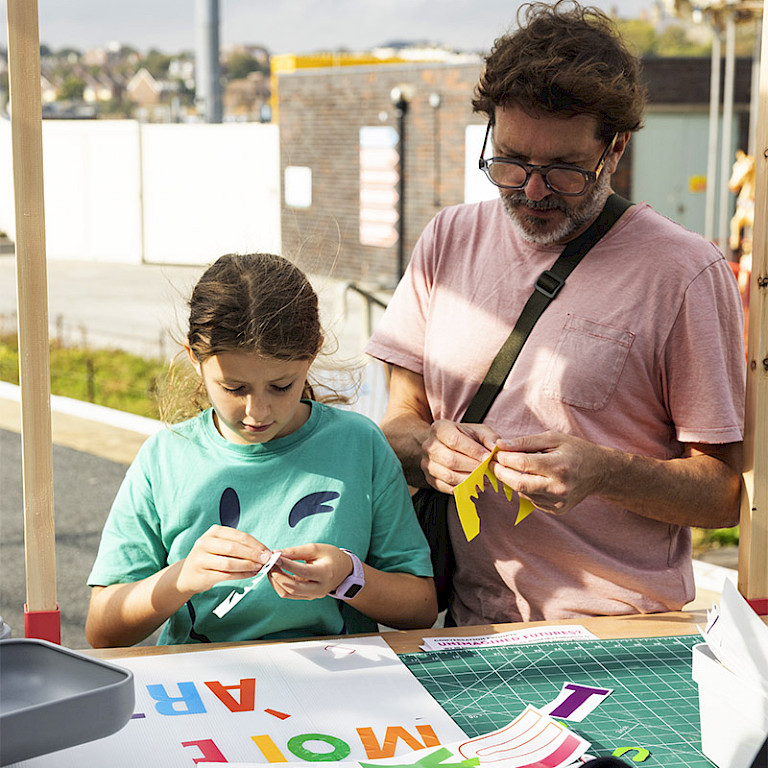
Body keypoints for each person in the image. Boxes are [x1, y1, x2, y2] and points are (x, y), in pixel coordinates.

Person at [365, 1, 745, 626]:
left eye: (564, 170)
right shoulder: (448, 239)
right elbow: (398, 423)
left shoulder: (685, 272)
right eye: (510, 160)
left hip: (621, 633)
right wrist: (430, 447)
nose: (532, 190)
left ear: (614, 149)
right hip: (467, 627)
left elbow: (722, 494)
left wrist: (604, 473)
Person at [86, 253, 436, 647]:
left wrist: (348, 575)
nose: (258, 412)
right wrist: (181, 578)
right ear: (194, 359)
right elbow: (102, 629)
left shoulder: (360, 444)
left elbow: (421, 608)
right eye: (234, 388)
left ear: (313, 354)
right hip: (207, 675)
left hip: (337, 673)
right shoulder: (164, 458)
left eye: (281, 386)